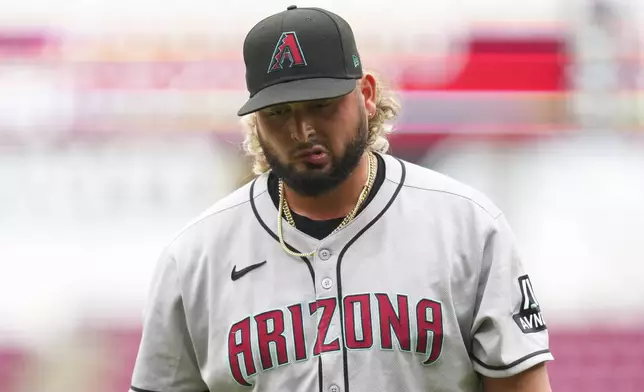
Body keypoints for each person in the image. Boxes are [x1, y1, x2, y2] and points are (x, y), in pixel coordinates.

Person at [128, 5, 554, 392]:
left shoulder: (467, 227)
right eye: (279, 113)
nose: (302, 130)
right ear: (255, 121)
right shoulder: (194, 258)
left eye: (321, 105)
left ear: (366, 95)